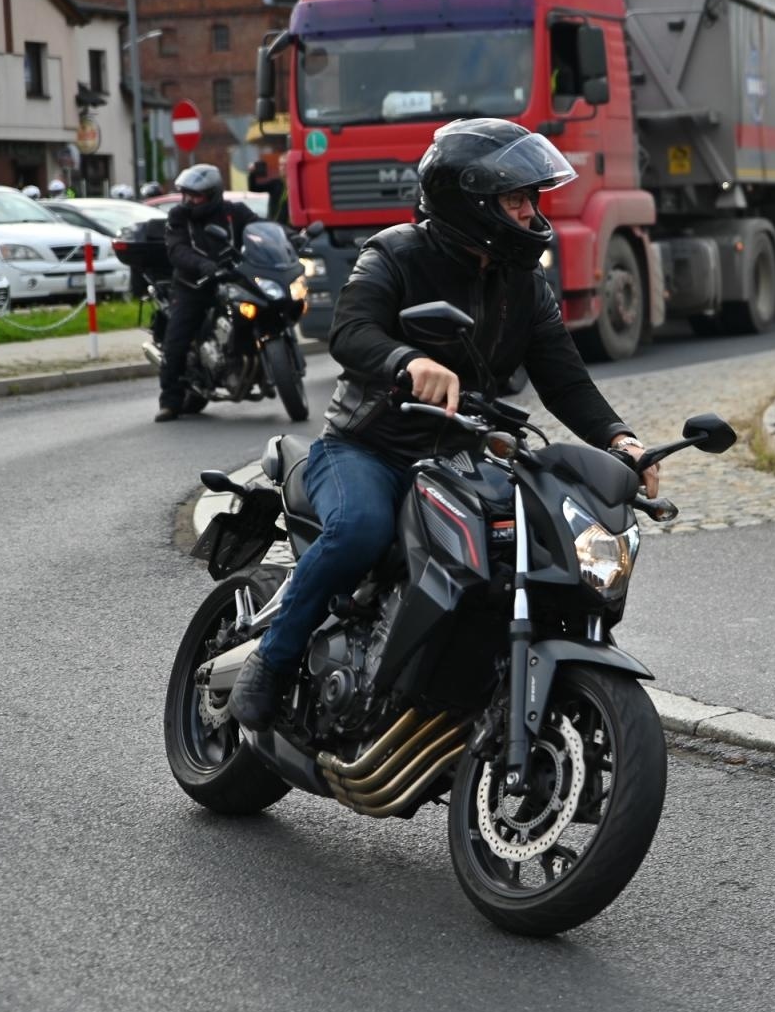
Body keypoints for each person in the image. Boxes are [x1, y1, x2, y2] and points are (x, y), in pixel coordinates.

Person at [228, 117, 657, 730]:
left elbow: (564, 378)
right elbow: (349, 332)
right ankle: (270, 662)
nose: (530, 214)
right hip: (368, 446)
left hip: (461, 457)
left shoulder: (524, 284)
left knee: (516, 548)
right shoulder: (395, 253)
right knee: (360, 528)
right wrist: (409, 360)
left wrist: (620, 440)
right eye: (516, 200)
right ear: (472, 203)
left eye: (532, 199)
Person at [155, 163, 261, 422]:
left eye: (196, 195)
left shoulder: (234, 212)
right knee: (177, 339)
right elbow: (177, 249)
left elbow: (260, 228)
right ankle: (170, 400)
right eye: (186, 194)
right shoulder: (179, 216)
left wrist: (289, 238)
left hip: (232, 279)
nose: (189, 200)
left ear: (213, 194)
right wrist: (203, 265)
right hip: (193, 285)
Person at [247, 159, 287, 224]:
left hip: (289, 226)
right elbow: (253, 188)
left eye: (285, 165)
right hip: (274, 224)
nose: (282, 168)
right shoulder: (277, 184)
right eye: (280, 165)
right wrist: (252, 173)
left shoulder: (297, 185)